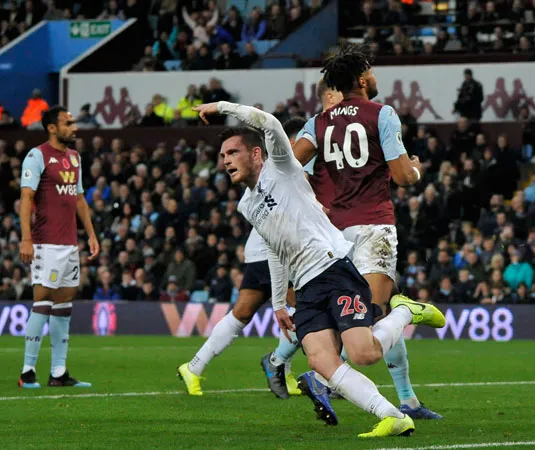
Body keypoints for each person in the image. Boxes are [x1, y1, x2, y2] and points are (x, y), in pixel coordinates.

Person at [194, 100, 445, 438]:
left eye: (232, 152)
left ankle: (404, 311)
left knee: (363, 353)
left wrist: (223, 107)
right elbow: (274, 247)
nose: (225, 160)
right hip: (307, 287)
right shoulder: (247, 204)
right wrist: (280, 302)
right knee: (320, 362)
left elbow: (268, 122)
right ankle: (391, 414)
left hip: (334, 269)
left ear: (256, 154)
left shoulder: (281, 167)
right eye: (222, 156)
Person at [293, 44, 442, 420]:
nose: (374, 77)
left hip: (334, 234)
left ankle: (405, 399)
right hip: (374, 226)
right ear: (361, 79)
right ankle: (327, 378)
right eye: (371, 71)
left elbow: (291, 165)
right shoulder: (382, 114)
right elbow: (404, 177)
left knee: (360, 319)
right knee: (374, 318)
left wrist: (316, 196)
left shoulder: (319, 122)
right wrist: (417, 168)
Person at [177, 118, 310, 400]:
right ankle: (283, 365)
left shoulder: (291, 167)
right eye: (298, 139)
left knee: (241, 314)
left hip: (259, 250)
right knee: (311, 308)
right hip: (272, 251)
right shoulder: (283, 166)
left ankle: (194, 366)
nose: (303, 144)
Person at [17, 105, 100, 388]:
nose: (74, 128)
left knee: (64, 306)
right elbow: (26, 198)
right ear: (52, 128)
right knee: (42, 303)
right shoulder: (36, 156)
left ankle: (58, 372)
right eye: (68, 123)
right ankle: (27, 371)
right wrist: (26, 238)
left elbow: (79, 199)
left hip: (69, 245)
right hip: (44, 243)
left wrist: (91, 234)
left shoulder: (75, 158)